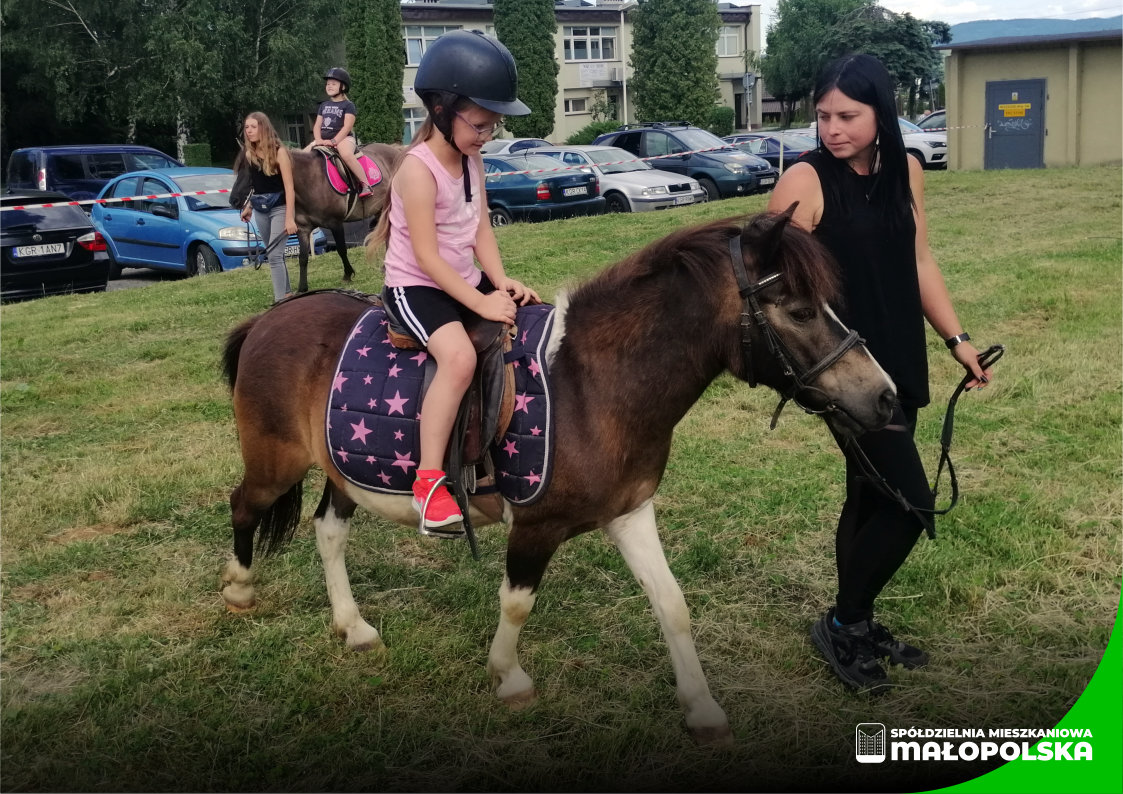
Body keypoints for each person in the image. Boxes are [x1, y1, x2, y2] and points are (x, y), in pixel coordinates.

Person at [767, 53, 993, 693]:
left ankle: (856, 625)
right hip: (846, 373)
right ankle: (844, 621)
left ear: (881, 115)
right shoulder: (805, 182)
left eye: (847, 115)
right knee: (909, 504)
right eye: (823, 115)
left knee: (867, 496)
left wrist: (957, 338)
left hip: (902, 355)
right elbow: (769, 287)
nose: (831, 128)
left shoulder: (906, 170)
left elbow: (918, 260)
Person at [370, 30, 539, 534]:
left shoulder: (472, 159)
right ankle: (428, 481)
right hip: (417, 285)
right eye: (481, 123)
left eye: (494, 126)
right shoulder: (417, 172)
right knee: (461, 356)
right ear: (442, 110)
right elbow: (426, 257)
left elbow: (479, 226)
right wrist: (480, 303)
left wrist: (500, 282)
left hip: (459, 276)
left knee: (527, 322)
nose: (488, 134)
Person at [238, 112, 297, 303]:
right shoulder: (250, 154)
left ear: (263, 128)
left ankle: (279, 302)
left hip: (280, 207)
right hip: (261, 208)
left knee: (273, 255)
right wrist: (248, 207)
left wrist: (289, 218)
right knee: (274, 254)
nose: (249, 131)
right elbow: (256, 186)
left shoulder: (280, 152)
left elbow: (289, 188)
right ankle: (287, 294)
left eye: (253, 127)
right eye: (247, 127)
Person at [305, 67, 373, 198]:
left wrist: (333, 141)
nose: (329, 86)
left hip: (343, 139)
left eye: (333, 84)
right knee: (302, 155)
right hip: (323, 140)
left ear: (343, 87)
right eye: (328, 84)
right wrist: (318, 139)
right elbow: (317, 125)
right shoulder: (323, 105)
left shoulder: (348, 105)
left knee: (346, 155)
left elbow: (347, 127)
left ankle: (365, 184)